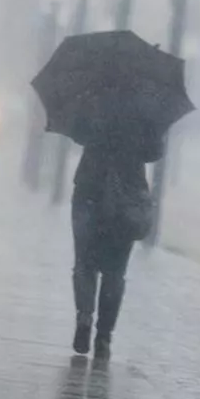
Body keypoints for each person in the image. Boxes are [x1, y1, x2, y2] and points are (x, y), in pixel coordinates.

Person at [70, 124, 160, 359]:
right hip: (126, 197)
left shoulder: (92, 98)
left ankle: (84, 316)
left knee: (84, 263)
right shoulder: (143, 109)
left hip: (89, 189)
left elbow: (77, 133)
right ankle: (104, 337)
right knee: (115, 271)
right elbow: (155, 152)